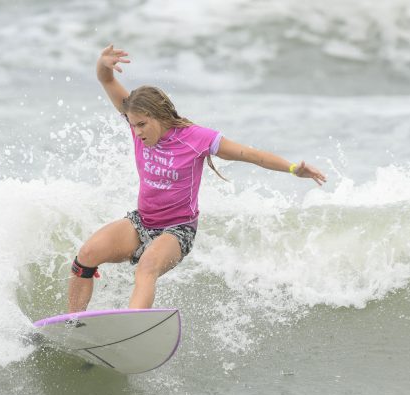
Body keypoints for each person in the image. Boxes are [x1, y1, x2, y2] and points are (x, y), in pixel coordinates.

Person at [67, 44, 327, 313]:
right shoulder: (136, 122)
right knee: (86, 256)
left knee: (147, 265)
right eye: (133, 125)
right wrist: (103, 63)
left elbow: (251, 155)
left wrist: (294, 168)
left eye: (142, 124)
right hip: (142, 222)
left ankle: (133, 327)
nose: (137, 132)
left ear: (160, 116)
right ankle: (72, 325)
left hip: (177, 231)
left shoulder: (196, 138)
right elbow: (106, 79)